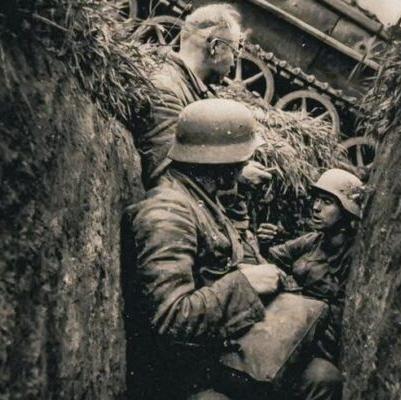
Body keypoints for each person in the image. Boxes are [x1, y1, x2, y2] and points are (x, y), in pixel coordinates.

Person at [126, 99, 344, 400]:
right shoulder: (168, 212)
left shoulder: (205, 198)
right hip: (189, 372)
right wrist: (244, 284)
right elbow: (170, 318)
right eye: (243, 159)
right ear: (222, 163)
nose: (246, 165)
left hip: (224, 346)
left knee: (322, 376)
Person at [136, 3, 270, 189]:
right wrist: (235, 174)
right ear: (215, 48)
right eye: (235, 50)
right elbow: (166, 167)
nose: (235, 61)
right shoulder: (167, 88)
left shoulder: (193, 89)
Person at [259, 168, 364, 398]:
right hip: (290, 325)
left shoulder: (355, 254)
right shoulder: (313, 240)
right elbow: (275, 256)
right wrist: (264, 243)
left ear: (346, 210)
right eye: (316, 199)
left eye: (327, 202)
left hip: (318, 339)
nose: (316, 207)